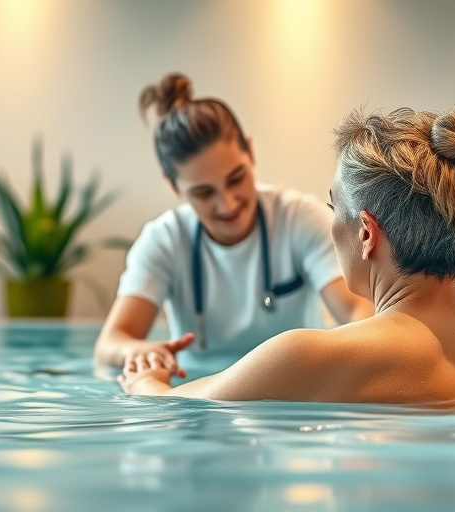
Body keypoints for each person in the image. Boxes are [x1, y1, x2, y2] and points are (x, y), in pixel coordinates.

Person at [119, 107, 455, 403]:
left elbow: (172, 410)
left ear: (367, 233)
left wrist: (144, 380)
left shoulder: (309, 355)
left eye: (335, 208)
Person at [94, 73, 373, 377]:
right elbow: (110, 343)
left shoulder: (300, 218)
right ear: (173, 187)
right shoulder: (164, 240)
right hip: (199, 396)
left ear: (250, 152)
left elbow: (359, 311)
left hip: (292, 395)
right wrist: (137, 351)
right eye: (203, 193)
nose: (227, 204)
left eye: (236, 178)